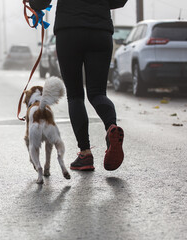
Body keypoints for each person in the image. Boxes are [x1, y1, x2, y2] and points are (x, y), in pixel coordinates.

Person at [30, 0, 127, 171]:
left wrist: (34, 5)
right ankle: (111, 126)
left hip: (69, 31)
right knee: (98, 93)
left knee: (75, 95)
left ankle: (85, 154)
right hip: (100, 32)